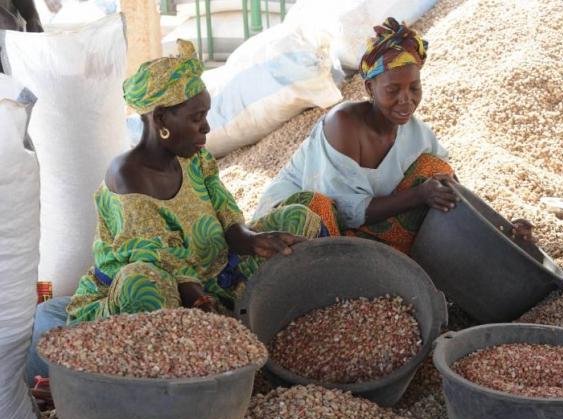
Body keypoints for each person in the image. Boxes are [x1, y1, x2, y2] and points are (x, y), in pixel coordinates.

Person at [25, 40, 326, 386]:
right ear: (161, 119)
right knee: (145, 281)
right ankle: (173, 378)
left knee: (297, 218)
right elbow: (158, 260)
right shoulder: (126, 176)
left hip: (214, 275)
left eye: (206, 116)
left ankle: (268, 329)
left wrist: (256, 241)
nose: (207, 128)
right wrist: (201, 305)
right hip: (163, 295)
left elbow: (229, 219)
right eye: (197, 118)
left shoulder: (194, 158)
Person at [254, 18, 534, 254]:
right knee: (316, 208)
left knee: (435, 172)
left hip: (354, 234)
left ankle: (378, 266)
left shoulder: (418, 135)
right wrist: (419, 195)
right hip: (295, 230)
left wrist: (504, 230)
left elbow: (453, 194)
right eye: (393, 90)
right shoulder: (343, 124)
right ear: (369, 88)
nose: (406, 100)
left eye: (414, 88)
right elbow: (340, 209)